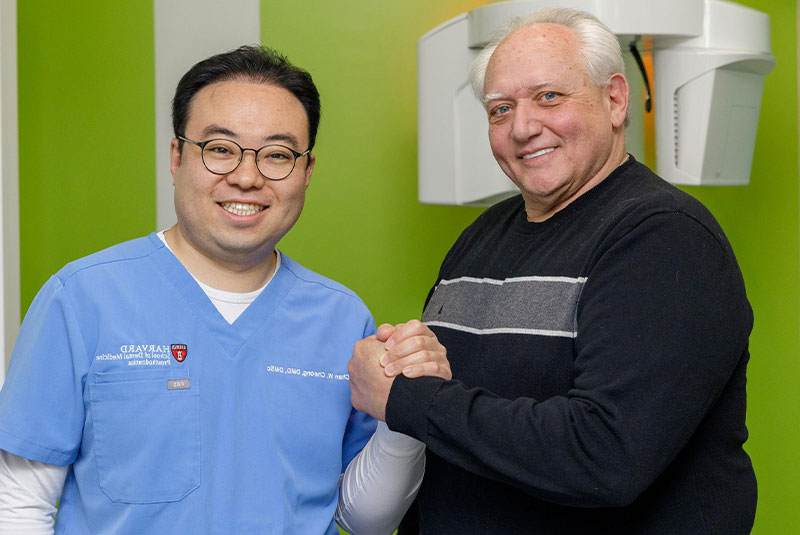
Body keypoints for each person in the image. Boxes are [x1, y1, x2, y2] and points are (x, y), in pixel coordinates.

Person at [348, 8, 756, 534]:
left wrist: (406, 400)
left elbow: (606, 456)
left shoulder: (664, 237)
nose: (522, 128)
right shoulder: (482, 237)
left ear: (614, 98)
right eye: (499, 109)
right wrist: (408, 365)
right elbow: (452, 435)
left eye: (548, 97)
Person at [0, 45, 438, 535]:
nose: (247, 177)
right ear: (177, 157)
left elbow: (364, 522)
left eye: (277, 155)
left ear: (307, 173)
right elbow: (18, 504)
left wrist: (406, 409)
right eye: (220, 149)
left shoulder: (340, 318)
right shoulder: (82, 299)